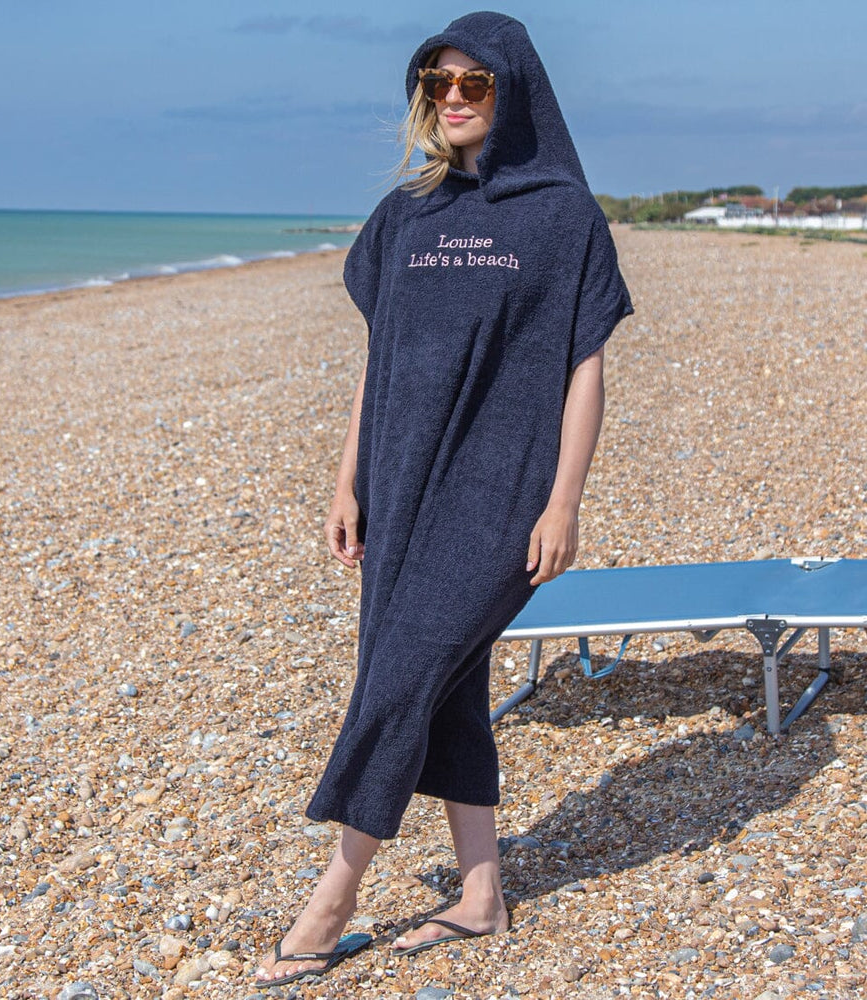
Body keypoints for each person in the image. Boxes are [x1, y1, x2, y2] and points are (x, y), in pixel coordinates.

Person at [255, 11, 632, 988]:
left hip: (501, 492)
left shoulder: (561, 218)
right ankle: (481, 894)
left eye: (475, 83)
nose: (454, 99)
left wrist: (564, 502)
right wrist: (347, 480)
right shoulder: (403, 217)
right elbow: (378, 362)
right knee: (448, 681)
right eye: (437, 84)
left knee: (398, 677)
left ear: (519, 91)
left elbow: (582, 367)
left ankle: (331, 897)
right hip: (400, 483)